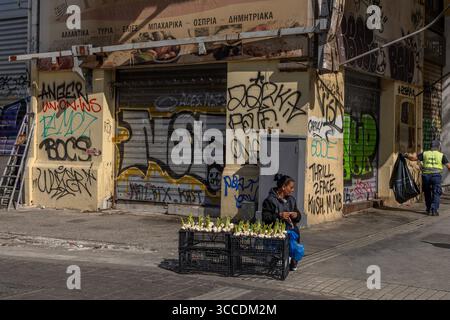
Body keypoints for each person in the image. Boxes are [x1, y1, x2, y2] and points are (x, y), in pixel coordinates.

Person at [262, 174, 302, 271]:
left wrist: (296, 215)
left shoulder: (291, 200)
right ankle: (274, 260)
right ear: (283, 187)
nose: (293, 190)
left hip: (290, 230)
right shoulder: (270, 200)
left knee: (295, 234)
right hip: (276, 231)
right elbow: (265, 217)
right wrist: (279, 215)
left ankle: (293, 260)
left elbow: (298, 215)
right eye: (291, 187)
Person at [405, 140, 450, 216]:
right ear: (438, 147)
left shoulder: (425, 154)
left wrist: (406, 156)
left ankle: (428, 209)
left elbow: (413, 158)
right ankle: (434, 210)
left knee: (427, 192)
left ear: (430, 147)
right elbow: (449, 166)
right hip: (436, 176)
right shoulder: (441, 155)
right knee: (436, 192)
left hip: (426, 177)